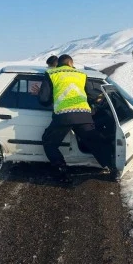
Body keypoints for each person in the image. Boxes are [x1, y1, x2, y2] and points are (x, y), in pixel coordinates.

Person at [38, 54, 115, 182]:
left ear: (59, 64)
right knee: (96, 142)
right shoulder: (81, 75)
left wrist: (48, 97)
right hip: (83, 115)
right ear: (70, 63)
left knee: (49, 142)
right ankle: (112, 167)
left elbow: (43, 99)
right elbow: (91, 96)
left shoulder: (51, 74)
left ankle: (61, 170)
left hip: (63, 116)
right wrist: (97, 103)